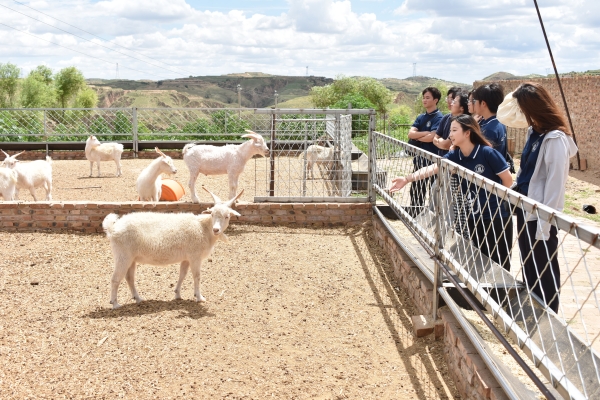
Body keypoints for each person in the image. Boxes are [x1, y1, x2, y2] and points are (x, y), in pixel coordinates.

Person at [390, 114, 514, 272]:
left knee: (499, 263)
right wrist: (407, 179)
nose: (450, 134)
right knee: (480, 259)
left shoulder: (487, 153)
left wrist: (496, 202)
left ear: (467, 132)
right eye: (450, 130)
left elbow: (507, 180)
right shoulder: (456, 155)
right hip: (473, 215)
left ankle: (501, 296)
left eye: (454, 130)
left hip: (495, 216)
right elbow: (434, 168)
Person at [511, 83, 578, 313]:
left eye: (523, 108)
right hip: (524, 208)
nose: (520, 113)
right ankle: (532, 310)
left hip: (540, 215)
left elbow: (554, 185)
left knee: (544, 269)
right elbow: (527, 171)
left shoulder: (555, 139)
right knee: (528, 264)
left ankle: (549, 316)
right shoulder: (533, 132)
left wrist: (545, 224)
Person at [405, 87, 443, 217]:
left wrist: (418, 137)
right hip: (420, 159)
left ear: (435, 100)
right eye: (424, 97)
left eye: (428, 98)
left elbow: (433, 137)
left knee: (434, 191)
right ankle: (415, 216)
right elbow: (410, 133)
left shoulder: (439, 118)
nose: (424, 100)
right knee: (416, 190)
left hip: (433, 161)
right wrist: (425, 135)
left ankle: (433, 219)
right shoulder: (421, 117)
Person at [433, 90, 471, 154]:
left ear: (462, 108)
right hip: (442, 158)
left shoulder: (465, 123)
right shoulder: (446, 117)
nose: (451, 103)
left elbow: (446, 144)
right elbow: (434, 139)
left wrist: (440, 142)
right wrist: (441, 142)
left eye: (454, 102)